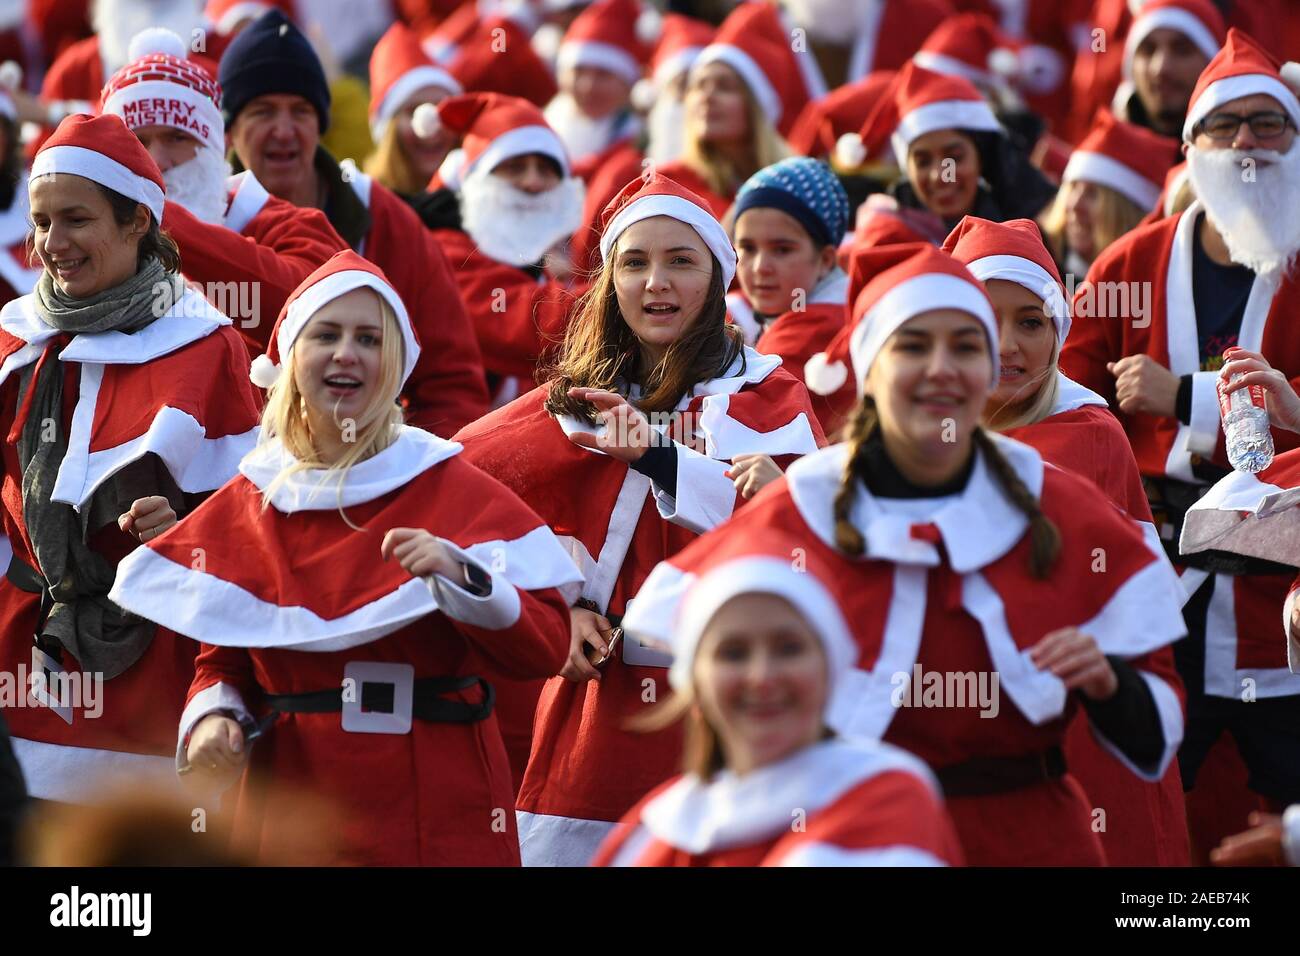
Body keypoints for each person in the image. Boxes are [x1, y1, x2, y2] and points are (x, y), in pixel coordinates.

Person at [627, 242, 1188, 866]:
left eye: (965, 347)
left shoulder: (1060, 508)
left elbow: (1155, 729)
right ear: (872, 367)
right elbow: (695, 667)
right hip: (852, 843)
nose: (942, 369)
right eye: (914, 346)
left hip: (1029, 844)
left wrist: (1111, 686)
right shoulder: (802, 510)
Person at [109, 250, 583, 865]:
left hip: (438, 800)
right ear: (289, 360)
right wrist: (212, 722)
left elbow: (544, 647)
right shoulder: (252, 500)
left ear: (396, 364)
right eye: (326, 335)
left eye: (369, 338)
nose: (347, 353)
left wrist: (464, 577)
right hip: (292, 803)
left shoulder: (451, 485)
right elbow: (223, 660)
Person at [455, 173, 825, 865]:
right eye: (635, 262)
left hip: (738, 709)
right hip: (601, 719)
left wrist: (661, 458)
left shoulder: (769, 397)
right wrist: (554, 615)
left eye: (681, 261)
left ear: (717, 279)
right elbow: (459, 494)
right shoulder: (575, 404)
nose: (656, 282)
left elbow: (806, 546)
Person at [1059, 30, 1300, 849]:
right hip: (1166, 578)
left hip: (1290, 587)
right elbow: (1060, 402)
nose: (1246, 144)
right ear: (1189, 146)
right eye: (1224, 126)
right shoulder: (1130, 260)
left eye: (1269, 124)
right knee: (1142, 792)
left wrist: (1185, 397)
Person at [0, 113, 262, 803]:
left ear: (137, 221)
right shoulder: (15, 339)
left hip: (155, 665)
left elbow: (251, 518)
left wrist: (183, 524)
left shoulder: (207, 345)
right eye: (42, 220)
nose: (53, 244)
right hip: (20, 653)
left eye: (76, 220)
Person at [942, 214, 1190, 867]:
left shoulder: (1086, 433)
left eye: (1031, 321)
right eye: (983, 319)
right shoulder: (924, 432)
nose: (1008, 344)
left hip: (1077, 732)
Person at [593, 550, 961, 867]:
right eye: (733, 653)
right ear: (694, 679)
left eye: (789, 649)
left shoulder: (888, 802)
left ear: (830, 665)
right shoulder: (661, 827)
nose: (762, 677)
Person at [219, 8, 488, 437]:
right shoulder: (209, 226)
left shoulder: (385, 220)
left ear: (322, 123)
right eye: (263, 112)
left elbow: (451, 383)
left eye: (301, 111)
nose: (284, 130)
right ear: (230, 129)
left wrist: (412, 475)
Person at [99, 28, 347, 355]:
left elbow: (312, 309)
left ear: (216, 147)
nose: (157, 162)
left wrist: (160, 217)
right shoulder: (92, 231)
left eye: (177, 138)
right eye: (137, 142)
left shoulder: (286, 224)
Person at [418, 92, 586, 406]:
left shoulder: (527, 251)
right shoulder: (441, 247)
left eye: (546, 169)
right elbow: (529, 326)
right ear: (476, 178)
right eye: (515, 166)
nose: (533, 182)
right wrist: (628, 295)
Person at [839, 62, 1055, 249]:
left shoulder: (1030, 234)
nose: (940, 175)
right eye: (922, 161)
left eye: (954, 158)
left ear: (981, 157)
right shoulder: (881, 239)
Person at [731, 157, 854, 437]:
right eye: (747, 248)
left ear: (825, 259)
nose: (761, 267)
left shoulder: (800, 336)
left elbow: (734, 436)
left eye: (782, 250)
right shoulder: (845, 307)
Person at [650, 2, 799, 218]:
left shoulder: (795, 181)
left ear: (756, 105)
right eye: (698, 86)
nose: (707, 97)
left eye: (725, 87)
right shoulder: (670, 184)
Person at [1040, 110, 1179, 278]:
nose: (1075, 205)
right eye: (1073, 188)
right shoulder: (1036, 272)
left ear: (1127, 215)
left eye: (1093, 195)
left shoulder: (1147, 292)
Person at [542, 0, 648, 182]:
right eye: (578, 71)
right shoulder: (541, 127)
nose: (587, 86)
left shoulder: (643, 143)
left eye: (603, 75)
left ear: (627, 85)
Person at [363, 20, 462, 197]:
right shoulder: (367, 207)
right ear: (388, 129)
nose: (431, 128)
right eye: (413, 111)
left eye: (442, 109)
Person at [1110, 0, 1224, 140]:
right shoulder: (1101, 156)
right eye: (1148, 50)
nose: (1161, 68)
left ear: (1213, 62)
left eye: (1182, 50)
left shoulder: (1244, 150)